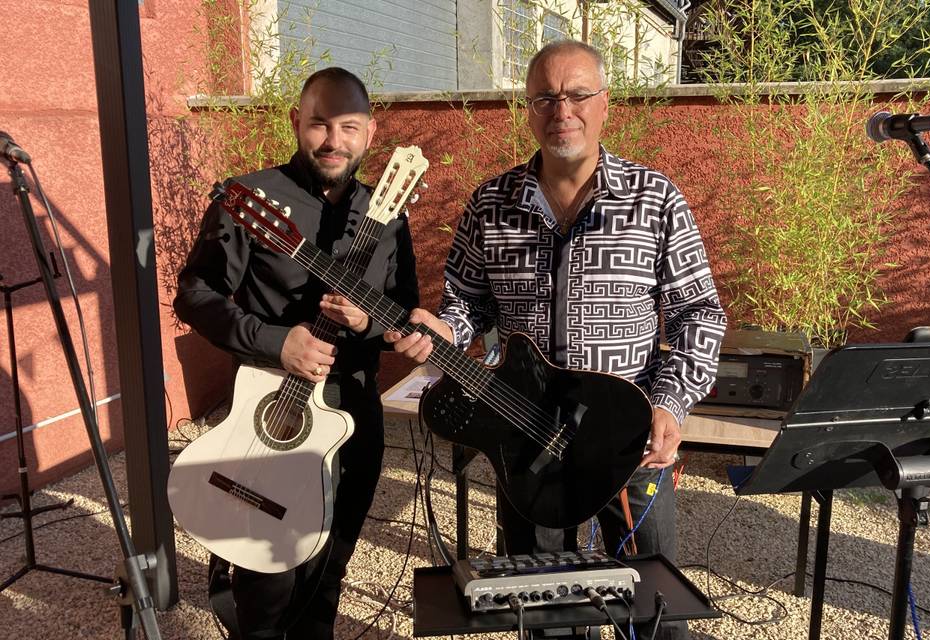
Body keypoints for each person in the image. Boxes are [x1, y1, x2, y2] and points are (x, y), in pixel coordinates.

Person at [385, 40, 725, 639]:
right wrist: (447, 329)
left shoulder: (655, 199)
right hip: (524, 435)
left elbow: (699, 314)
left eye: (576, 94)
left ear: (605, 104)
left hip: (629, 434)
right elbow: (465, 303)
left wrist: (671, 403)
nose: (560, 109)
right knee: (541, 610)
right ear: (527, 107)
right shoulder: (490, 203)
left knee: (654, 610)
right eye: (544, 96)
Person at [174, 67, 419, 640]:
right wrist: (274, 340)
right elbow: (195, 292)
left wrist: (371, 320)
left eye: (349, 127)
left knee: (329, 570)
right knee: (266, 576)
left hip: (355, 410)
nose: (333, 141)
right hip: (271, 411)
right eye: (320, 125)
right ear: (296, 124)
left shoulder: (388, 213)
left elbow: (403, 308)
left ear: (370, 132)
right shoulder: (253, 198)